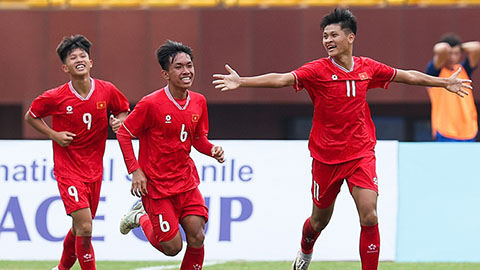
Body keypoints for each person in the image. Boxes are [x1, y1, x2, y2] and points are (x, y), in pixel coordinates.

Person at [212, 8, 471, 270]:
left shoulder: (367, 67)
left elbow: (407, 75)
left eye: (333, 35)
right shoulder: (317, 70)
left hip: (361, 152)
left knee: (369, 214)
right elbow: (282, 79)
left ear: (350, 37)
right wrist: (242, 81)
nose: (327, 41)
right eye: (324, 36)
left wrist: (443, 84)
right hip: (326, 157)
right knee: (319, 220)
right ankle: (305, 249)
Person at [25, 34, 130, 270]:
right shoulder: (56, 96)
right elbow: (31, 116)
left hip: (94, 170)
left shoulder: (107, 90)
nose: (79, 59)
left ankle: (61, 269)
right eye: (73, 57)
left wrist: (119, 121)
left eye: (83, 56)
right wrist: (54, 134)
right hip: (68, 169)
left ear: (91, 62)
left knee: (80, 227)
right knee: (85, 227)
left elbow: (124, 111)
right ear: (65, 67)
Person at [117, 40, 224, 270]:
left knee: (197, 236)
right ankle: (139, 217)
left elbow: (197, 139)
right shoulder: (150, 104)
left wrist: (211, 149)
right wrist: (135, 171)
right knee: (172, 248)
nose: (186, 71)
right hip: (157, 187)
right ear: (165, 73)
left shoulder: (199, 101)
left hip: (186, 182)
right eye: (178, 67)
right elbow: (124, 133)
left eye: (189, 65)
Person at [426, 33, 480, 141]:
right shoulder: (435, 71)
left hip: (468, 131)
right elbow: (440, 49)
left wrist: (460, 47)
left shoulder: (464, 69)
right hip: (445, 131)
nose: (452, 57)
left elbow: (476, 48)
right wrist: (447, 49)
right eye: (449, 54)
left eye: (456, 53)